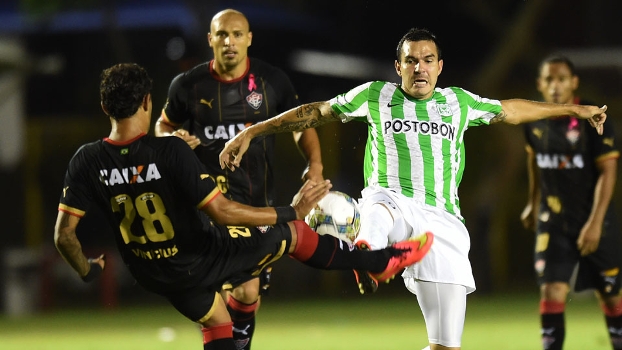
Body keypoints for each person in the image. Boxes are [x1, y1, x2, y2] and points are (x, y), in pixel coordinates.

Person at [219, 28, 608, 350]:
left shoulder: (458, 102)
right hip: (390, 201)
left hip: (444, 223)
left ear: (439, 67)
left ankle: (361, 245)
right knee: (378, 209)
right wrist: (253, 130)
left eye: (426, 60)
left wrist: (573, 110)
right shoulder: (376, 95)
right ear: (398, 66)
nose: (418, 68)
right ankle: (367, 253)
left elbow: (511, 110)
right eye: (410, 60)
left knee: (445, 345)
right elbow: (316, 112)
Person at [53, 63, 433, 350]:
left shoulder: (85, 160)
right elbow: (223, 212)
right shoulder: (168, 151)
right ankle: (378, 262)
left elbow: (64, 236)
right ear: (148, 102)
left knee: (218, 321)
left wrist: (86, 271)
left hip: (153, 272)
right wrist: (291, 212)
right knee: (295, 234)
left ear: (105, 105)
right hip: (199, 256)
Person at [154, 9, 324, 349]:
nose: (229, 41)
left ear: (249, 38)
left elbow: (299, 124)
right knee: (232, 291)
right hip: (209, 205)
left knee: (249, 295)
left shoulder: (271, 81)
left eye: (236, 34)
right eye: (221, 35)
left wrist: (315, 165)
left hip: (257, 201)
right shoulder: (187, 85)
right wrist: (173, 140)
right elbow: (162, 127)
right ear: (210, 40)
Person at [520, 55, 622, 350]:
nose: (555, 86)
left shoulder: (593, 119)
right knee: (551, 291)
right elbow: (534, 162)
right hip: (553, 220)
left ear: (573, 82)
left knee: (611, 294)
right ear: (540, 84)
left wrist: (595, 223)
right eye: (548, 80)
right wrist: (532, 202)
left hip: (594, 221)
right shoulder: (534, 121)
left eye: (561, 79)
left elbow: (608, 171)